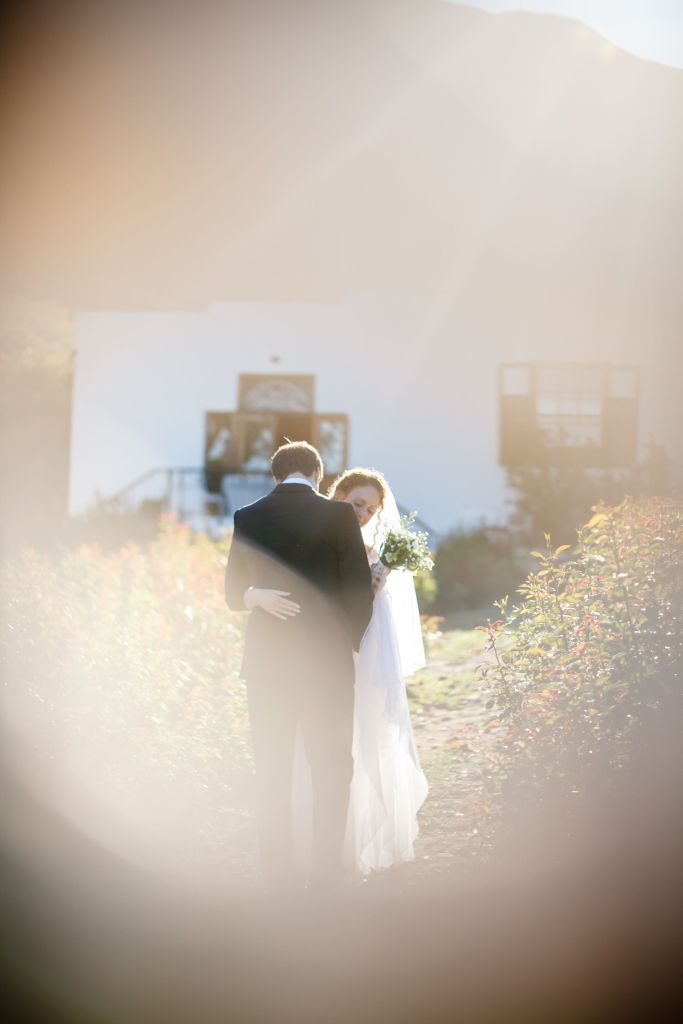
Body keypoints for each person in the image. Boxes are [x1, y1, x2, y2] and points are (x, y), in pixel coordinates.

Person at [252, 466, 430, 879]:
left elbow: (370, 618)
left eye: (370, 509)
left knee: (346, 749)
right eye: (356, 504)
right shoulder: (313, 537)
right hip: (309, 659)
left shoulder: (372, 552)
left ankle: (345, 850)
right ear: (337, 495)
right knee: (303, 751)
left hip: (354, 659)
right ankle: (300, 848)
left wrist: (377, 580)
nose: (363, 515)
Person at [224, 441, 373, 895]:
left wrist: (255, 596)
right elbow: (358, 593)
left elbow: (233, 593)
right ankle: (325, 875)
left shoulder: (247, 516)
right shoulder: (338, 516)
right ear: (317, 472)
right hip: (325, 666)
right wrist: (343, 641)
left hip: (267, 665)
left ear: (275, 476)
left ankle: (278, 876)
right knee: (331, 767)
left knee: (271, 768)